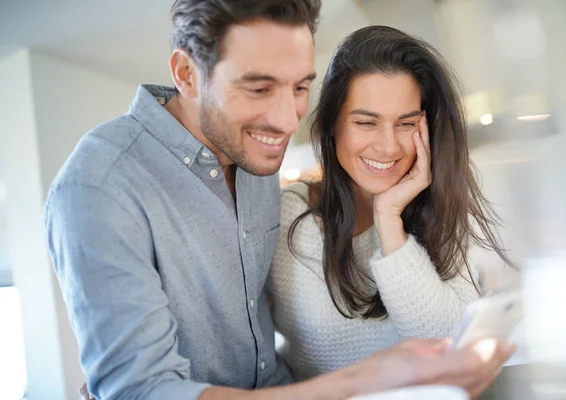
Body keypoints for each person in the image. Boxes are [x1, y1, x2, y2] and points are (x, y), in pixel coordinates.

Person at [44, 1, 514, 400]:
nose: (289, 120)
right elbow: (142, 392)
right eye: (259, 88)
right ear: (187, 73)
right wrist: (364, 379)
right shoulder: (100, 186)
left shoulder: (252, 165)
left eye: (300, 88)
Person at [269, 25, 514, 381]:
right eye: (366, 123)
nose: (388, 146)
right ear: (332, 124)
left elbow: (444, 343)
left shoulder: (444, 202)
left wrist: (389, 219)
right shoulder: (292, 214)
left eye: (406, 123)